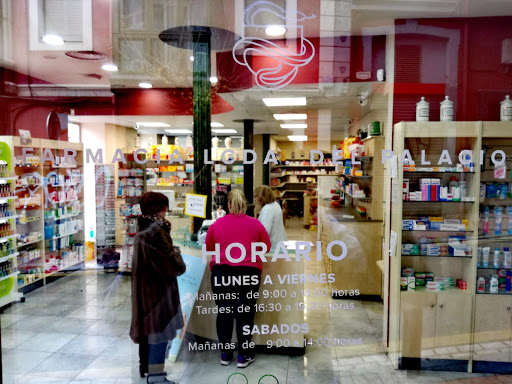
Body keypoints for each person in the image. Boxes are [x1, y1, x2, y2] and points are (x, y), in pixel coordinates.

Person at [205, 189, 271, 368]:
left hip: (222, 273)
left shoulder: (216, 225)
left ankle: (225, 354)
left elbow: (209, 247)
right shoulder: (256, 224)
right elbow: (266, 246)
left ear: (227, 205)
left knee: (224, 312)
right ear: (245, 205)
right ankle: (243, 355)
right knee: (245, 314)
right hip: (248, 273)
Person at [130, 192, 186, 384]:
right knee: (160, 332)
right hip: (158, 292)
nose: (166, 211)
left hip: (145, 291)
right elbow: (173, 266)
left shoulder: (143, 229)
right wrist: (177, 254)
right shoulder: (157, 232)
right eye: (164, 206)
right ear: (158, 208)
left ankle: (145, 368)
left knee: (148, 331)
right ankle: (156, 376)